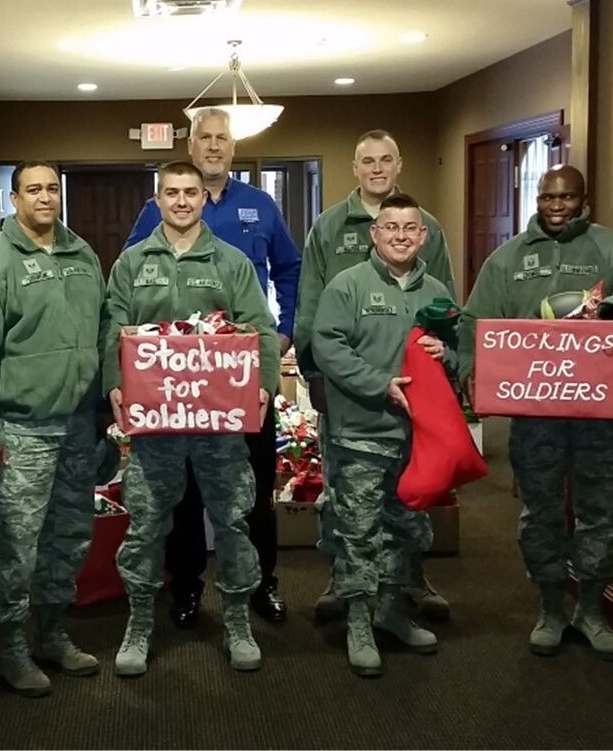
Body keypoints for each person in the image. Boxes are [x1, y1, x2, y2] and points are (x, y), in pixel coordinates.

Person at [459, 164, 613, 661]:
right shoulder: (507, 260)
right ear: (537, 199)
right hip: (537, 415)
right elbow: (475, 321)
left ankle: (591, 608)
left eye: (566, 198)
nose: (556, 206)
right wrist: (471, 370)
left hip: (600, 413)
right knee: (542, 510)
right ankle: (550, 606)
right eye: (548, 197)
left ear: (583, 199)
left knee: (602, 511)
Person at [123, 107, 300, 626]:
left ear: (233, 147)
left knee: (252, 488)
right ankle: (187, 589)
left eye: (223, 138)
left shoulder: (261, 206)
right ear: (192, 144)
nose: (215, 145)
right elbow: (131, 285)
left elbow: (290, 271)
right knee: (186, 494)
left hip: (241, 386)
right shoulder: (155, 212)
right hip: (176, 389)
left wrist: (283, 329)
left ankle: (262, 582)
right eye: (206, 137)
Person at [106, 161, 280, 676]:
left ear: (204, 199)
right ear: (156, 200)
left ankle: (236, 619)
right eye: (171, 193)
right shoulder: (132, 263)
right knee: (145, 524)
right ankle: (138, 622)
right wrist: (112, 382)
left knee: (232, 519)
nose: (181, 201)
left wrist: (264, 385)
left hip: (219, 426)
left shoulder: (231, 261)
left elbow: (260, 329)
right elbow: (110, 328)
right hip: (156, 427)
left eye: (190, 193)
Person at [293, 129, 456, 624]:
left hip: (415, 390)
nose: (378, 168)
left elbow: (444, 301)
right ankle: (343, 578)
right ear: (356, 166)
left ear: (399, 163)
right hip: (347, 391)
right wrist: (313, 371)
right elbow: (310, 302)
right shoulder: (329, 226)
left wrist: (446, 355)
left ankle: (409, 579)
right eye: (368, 161)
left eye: (387, 159)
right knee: (345, 489)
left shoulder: (426, 224)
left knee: (412, 489)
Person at [0, 161, 107, 697]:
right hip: (19, 431)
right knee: (18, 546)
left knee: (68, 539)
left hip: (76, 428)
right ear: (14, 197)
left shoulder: (82, 254)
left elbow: (105, 328)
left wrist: (104, 413)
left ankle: (50, 632)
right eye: (33, 190)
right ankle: (12, 648)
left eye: (51, 189)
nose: (45, 198)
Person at [312, 192, 452, 675]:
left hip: (417, 438)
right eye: (390, 227)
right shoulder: (346, 286)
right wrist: (379, 386)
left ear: (423, 235)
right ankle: (358, 621)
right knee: (359, 532)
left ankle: (392, 612)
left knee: (406, 529)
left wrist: (445, 353)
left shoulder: (436, 290)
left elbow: (457, 350)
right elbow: (327, 346)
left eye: (410, 228)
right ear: (374, 234)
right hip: (361, 434)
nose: (400, 236)